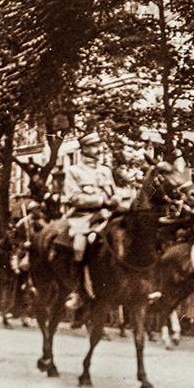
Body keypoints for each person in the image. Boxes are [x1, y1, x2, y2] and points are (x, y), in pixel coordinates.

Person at [59, 131, 119, 308]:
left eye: (99, 145)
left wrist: (116, 199)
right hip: (82, 218)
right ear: (84, 148)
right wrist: (101, 201)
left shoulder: (105, 171)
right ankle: (77, 290)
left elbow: (113, 194)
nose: (98, 149)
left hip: (106, 217)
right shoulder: (74, 171)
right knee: (79, 247)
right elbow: (74, 197)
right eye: (93, 146)